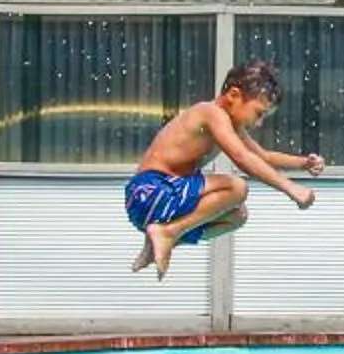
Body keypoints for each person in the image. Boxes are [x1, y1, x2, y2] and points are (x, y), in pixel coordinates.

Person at [125, 59, 324, 279]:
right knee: (236, 188)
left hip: (152, 203)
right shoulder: (210, 113)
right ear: (234, 96)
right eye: (258, 114)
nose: (258, 124)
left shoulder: (229, 123)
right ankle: (168, 232)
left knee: (237, 216)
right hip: (150, 190)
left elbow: (263, 156)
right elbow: (242, 158)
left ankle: (158, 242)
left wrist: (303, 163)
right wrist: (291, 189)